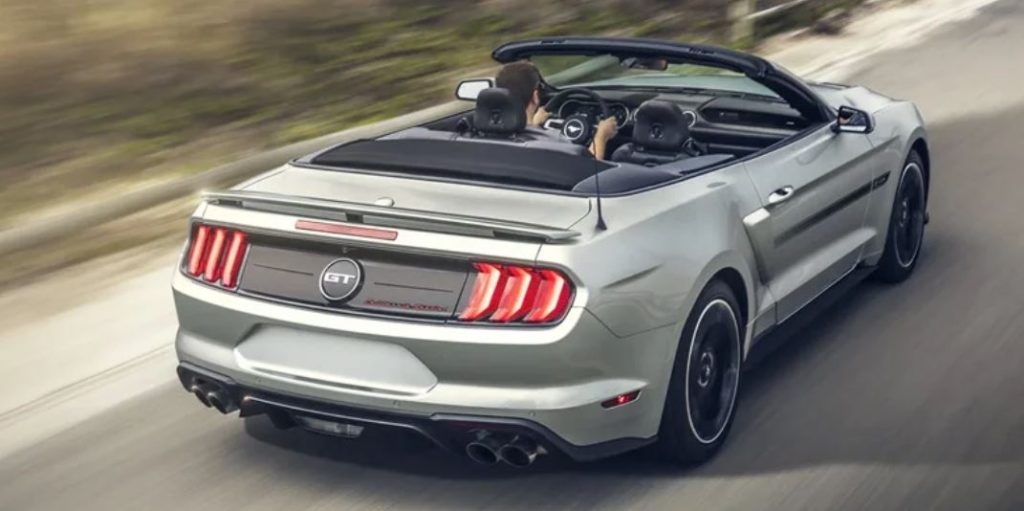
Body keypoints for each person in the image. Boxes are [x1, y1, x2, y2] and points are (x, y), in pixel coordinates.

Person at [494, 61, 619, 160]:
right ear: (535, 96)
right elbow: (590, 173)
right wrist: (601, 137)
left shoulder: (483, 136)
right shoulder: (553, 142)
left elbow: (523, 137)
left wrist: (534, 126)